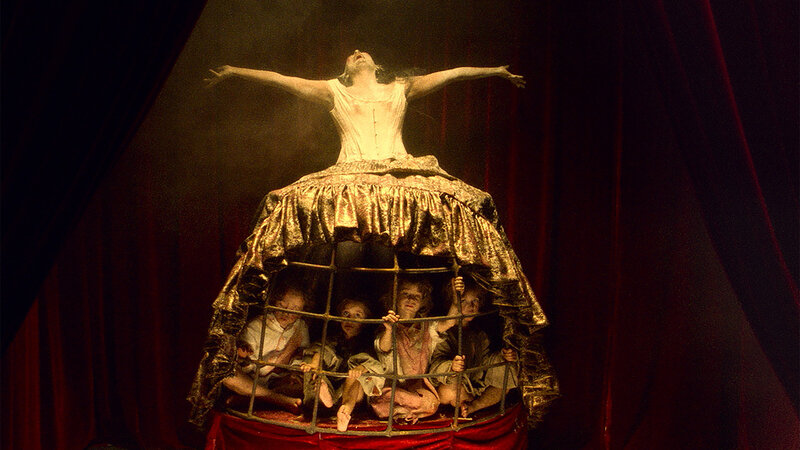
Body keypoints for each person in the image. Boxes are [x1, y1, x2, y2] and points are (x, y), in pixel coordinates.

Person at [189, 49, 554, 428]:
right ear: (346, 70)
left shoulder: (401, 87)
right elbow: (283, 80)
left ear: (376, 65)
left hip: (401, 168)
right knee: (290, 208)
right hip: (350, 170)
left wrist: (494, 69)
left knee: (470, 204)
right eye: (350, 54)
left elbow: (452, 75)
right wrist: (234, 69)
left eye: (363, 52)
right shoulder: (333, 90)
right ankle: (329, 381)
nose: (356, 53)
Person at [430, 276, 519, 418]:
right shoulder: (444, 332)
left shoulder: (479, 334)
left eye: (475, 301)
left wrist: (501, 357)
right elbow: (435, 363)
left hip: (475, 385)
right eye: (463, 301)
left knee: (506, 376)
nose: (470, 307)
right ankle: (470, 401)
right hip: (454, 383)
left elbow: (485, 362)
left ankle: (475, 406)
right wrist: (451, 367)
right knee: (450, 391)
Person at [221, 284, 310, 414]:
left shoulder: (301, 327)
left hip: (278, 381)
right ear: (274, 303)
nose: (287, 313)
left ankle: (252, 399)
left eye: (295, 309)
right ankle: (278, 399)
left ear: (302, 312)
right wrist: (242, 356)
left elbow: (301, 354)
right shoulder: (257, 325)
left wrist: (294, 372)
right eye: (282, 306)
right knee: (229, 376)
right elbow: (243, 361)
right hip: (251, 379)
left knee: (305, 384)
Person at [298, 298, 374, 416]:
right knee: (311, 360)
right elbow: (321, 350)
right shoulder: (334, 338)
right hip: (328, 386)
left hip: (347, 394)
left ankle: (337, 406)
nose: (350, 319)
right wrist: (314, 364)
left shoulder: (367, 343)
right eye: (346, 313)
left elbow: (372, 362)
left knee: (360, 377)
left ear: (365, 321)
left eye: (357, 315)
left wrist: (361, 368)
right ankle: (322, 399)